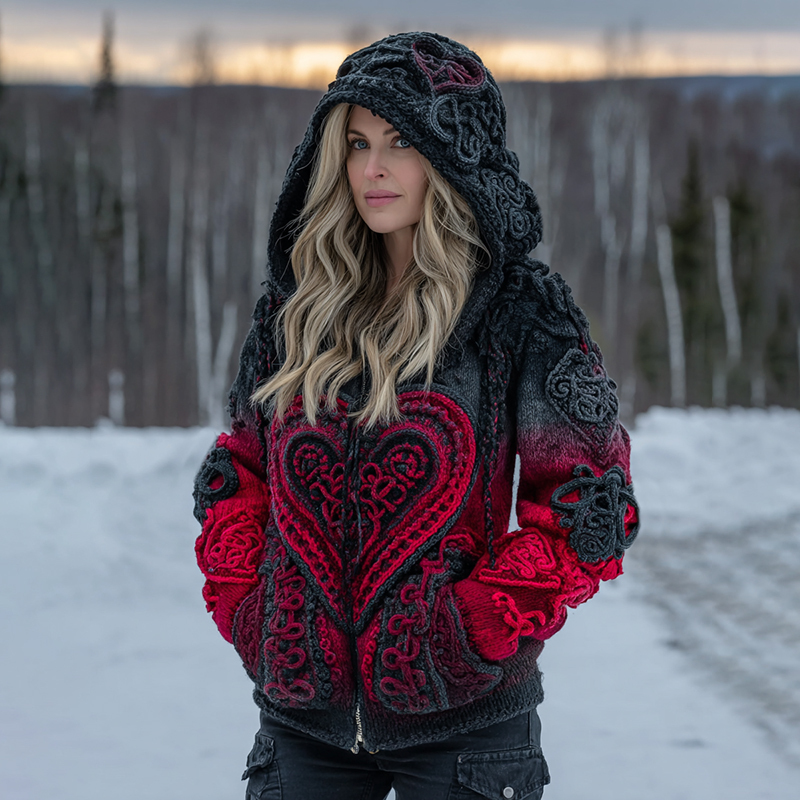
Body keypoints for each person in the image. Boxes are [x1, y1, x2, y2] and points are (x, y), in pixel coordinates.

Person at [193, 31, 639, 800]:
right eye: (357, 143)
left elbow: (590, 508)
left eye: (401, 142)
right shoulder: (298, 307)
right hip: (302, 727)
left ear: (453, 155)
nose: (373, 169)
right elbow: (238, 472)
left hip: (466, 734)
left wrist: (468, 632)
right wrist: (254, 613)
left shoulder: (521, 311)